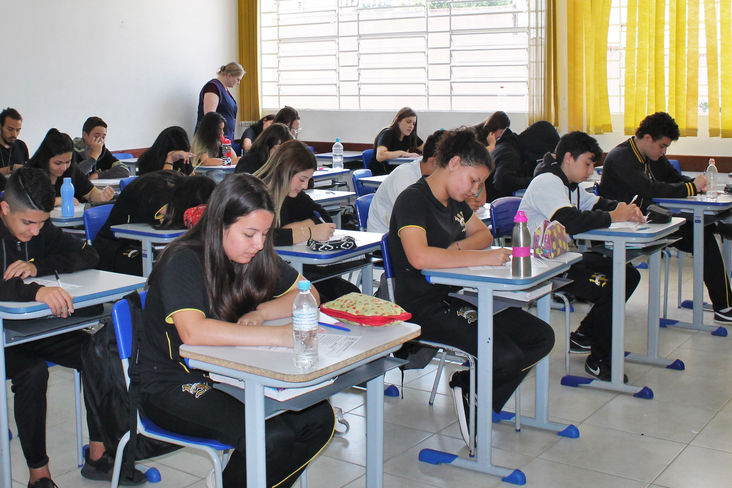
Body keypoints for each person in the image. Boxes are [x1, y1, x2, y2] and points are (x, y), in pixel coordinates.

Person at [137, 173, 335, 488]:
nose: (259, 244)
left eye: (265, 233)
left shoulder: (254, 254)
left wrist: (262, 312)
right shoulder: (182, 260)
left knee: (318, 419)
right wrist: (277, 335)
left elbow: (308, 295)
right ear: (219, 225)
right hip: (173, 383)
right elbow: (194, 332)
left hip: (230, 373)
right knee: (269, 436)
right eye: (250, 233)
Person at [388, 128, 555, 447]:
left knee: (540, 336)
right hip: (424, 306)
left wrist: (457, 253)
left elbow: (483, 236)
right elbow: (419, 257)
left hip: (458, 294)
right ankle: (471, 390)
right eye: (474, 180)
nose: (476, 190)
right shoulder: (413, 200)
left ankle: (477, 395)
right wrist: (477, 257)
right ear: (453, 163)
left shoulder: (454, 201)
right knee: (504, 355)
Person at [1, 168, 144, 488]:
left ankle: (99, 453)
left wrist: (39, 267)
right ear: (5, 209)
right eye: (28, 223)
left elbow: (87, 254)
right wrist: (36, 290)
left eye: (42, 222)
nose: (36, 232)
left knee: (96, 350)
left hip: (34, 327)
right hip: (4, 338)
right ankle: (39, 475)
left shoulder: (40, 228)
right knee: (33, 372)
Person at [519, 131, 644, 381]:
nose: (590, 171)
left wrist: (623, 209)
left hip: (563, 259)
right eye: (587, 163)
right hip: (541, 266)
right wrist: (614, 217)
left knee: (627, 274)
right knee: (611, 286)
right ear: (568, 158)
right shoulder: (547, 182)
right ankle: (599, 360)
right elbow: (569, 220)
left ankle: (585, 335)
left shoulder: (570, 185)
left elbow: (594, 203)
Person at [599, 112, 732, 323]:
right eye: (662, 146)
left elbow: (673, 178)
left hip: (645, 222)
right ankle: (724, 307)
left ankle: (724, 305)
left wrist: (697, 185)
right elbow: (649, 189)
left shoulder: (651, 155)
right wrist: (691, 187)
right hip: (620, 228)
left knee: (703, 232)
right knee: (703, 236)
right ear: (648, 138)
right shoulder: (621, 157)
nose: (663, 151)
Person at [255, 140, 361, 302]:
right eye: (302, 179)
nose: (305, 186)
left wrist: (291, 230)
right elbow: (266, 237)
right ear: (286, 171)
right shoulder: (255, 194)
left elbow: (323, 217)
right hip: (263, 274)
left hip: (291, 268)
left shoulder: (293, 194)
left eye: (307, 180)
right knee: (325, 301)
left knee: (350, 293)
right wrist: (308, 232)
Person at [93, 171, 215, 275]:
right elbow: (166, 221)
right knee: (170, 270)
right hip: (113, 249)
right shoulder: (155, 192)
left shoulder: (180, 186)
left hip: (142, 246)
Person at [367, 129, 443, 234]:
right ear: (434, 161)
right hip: (384, 239)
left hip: (412, 235)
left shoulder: (432, 177)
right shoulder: (405, 177)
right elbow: (413, 220)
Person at [27, 129, 114, 205]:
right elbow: (28, 202)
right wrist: (59, 201)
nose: (64, 167)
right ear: (45, 159)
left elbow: (90, 192)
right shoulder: (31, 173)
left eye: (67, 162)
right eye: (58, 163)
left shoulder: (71, 170)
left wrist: (101, 196)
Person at [485, 117, 560, 202]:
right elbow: (502, 181)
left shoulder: (514, 146)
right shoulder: (510, 153)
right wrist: (538, 180)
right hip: (490, 208)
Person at [196, 62, 245, 142]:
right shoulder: (212, 87)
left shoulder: (224, 89)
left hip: (224, 139)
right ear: (229, 75)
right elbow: (210, 118)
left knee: (230, 154)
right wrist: (221, 139)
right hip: (214, 141)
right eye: (238, 79)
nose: (238, 83)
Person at [369, 107, 424, 176]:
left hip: (397, 175)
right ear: (398, 120)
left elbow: (427, 148)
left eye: (413, 123)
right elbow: (380, 156)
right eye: (408, 122)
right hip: (381, 175)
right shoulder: (388, 133)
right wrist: (403, 153)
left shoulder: (409, 135)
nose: (411, 126)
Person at [0, 108, 29, 182]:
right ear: (1, 126)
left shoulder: (21, 146)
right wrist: (11, 169)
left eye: (18, 130)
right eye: (10, 129)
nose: (14, 135)